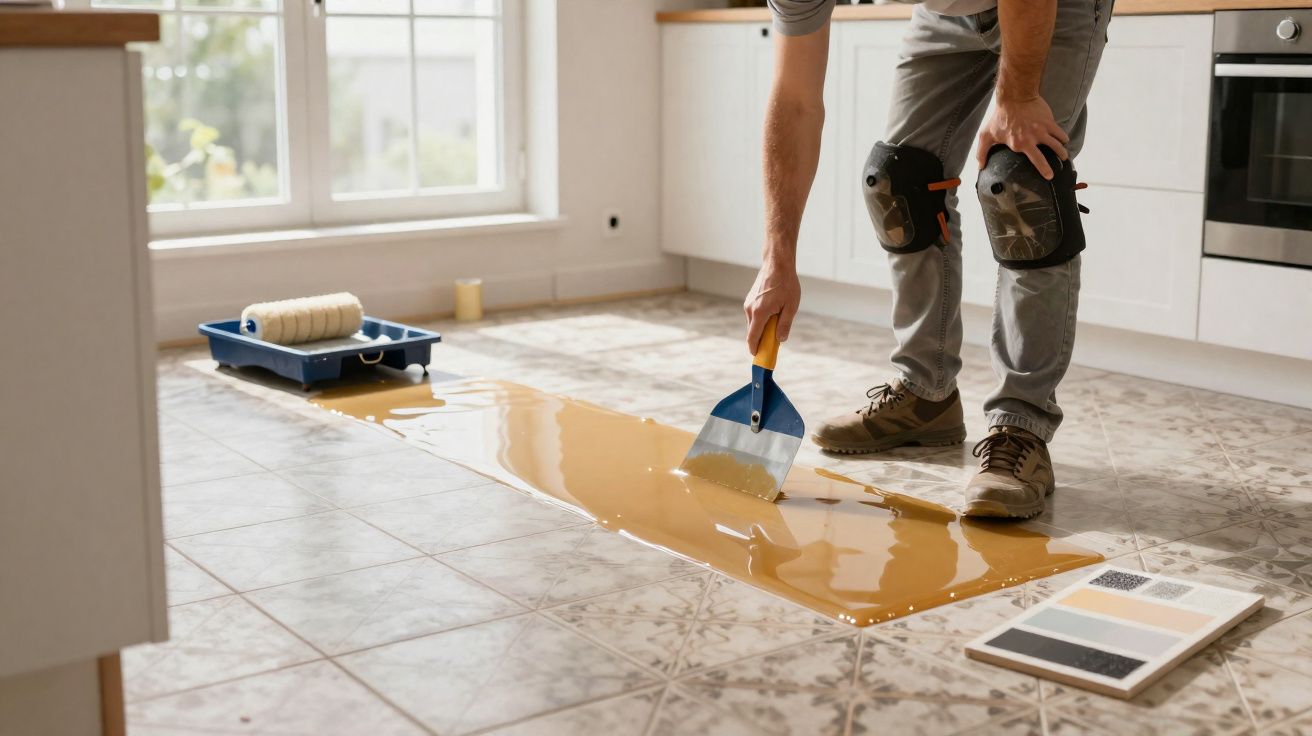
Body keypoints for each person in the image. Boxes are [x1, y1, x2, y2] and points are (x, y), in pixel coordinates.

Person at [744, 0, 1110, 518]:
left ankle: (1021, 426)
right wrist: (777, 257)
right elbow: (796, 99)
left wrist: (1018, 95)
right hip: (949, 13)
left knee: (1022, 184)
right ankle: (926, 393)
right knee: (898, 180)